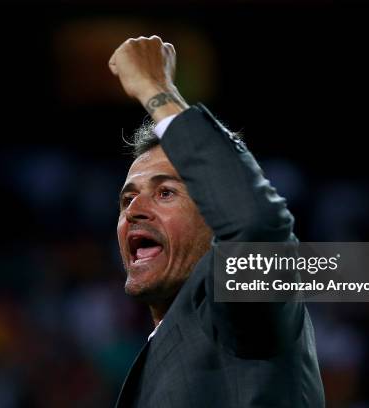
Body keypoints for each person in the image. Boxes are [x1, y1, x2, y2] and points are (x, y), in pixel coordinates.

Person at [110, 36, 324, 408]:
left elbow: (255, 223)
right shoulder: (166, 344)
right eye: (128, 199)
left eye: (165, 193)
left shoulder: (240, 310)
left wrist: (156, 89)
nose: (134, 210)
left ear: (216, 218)